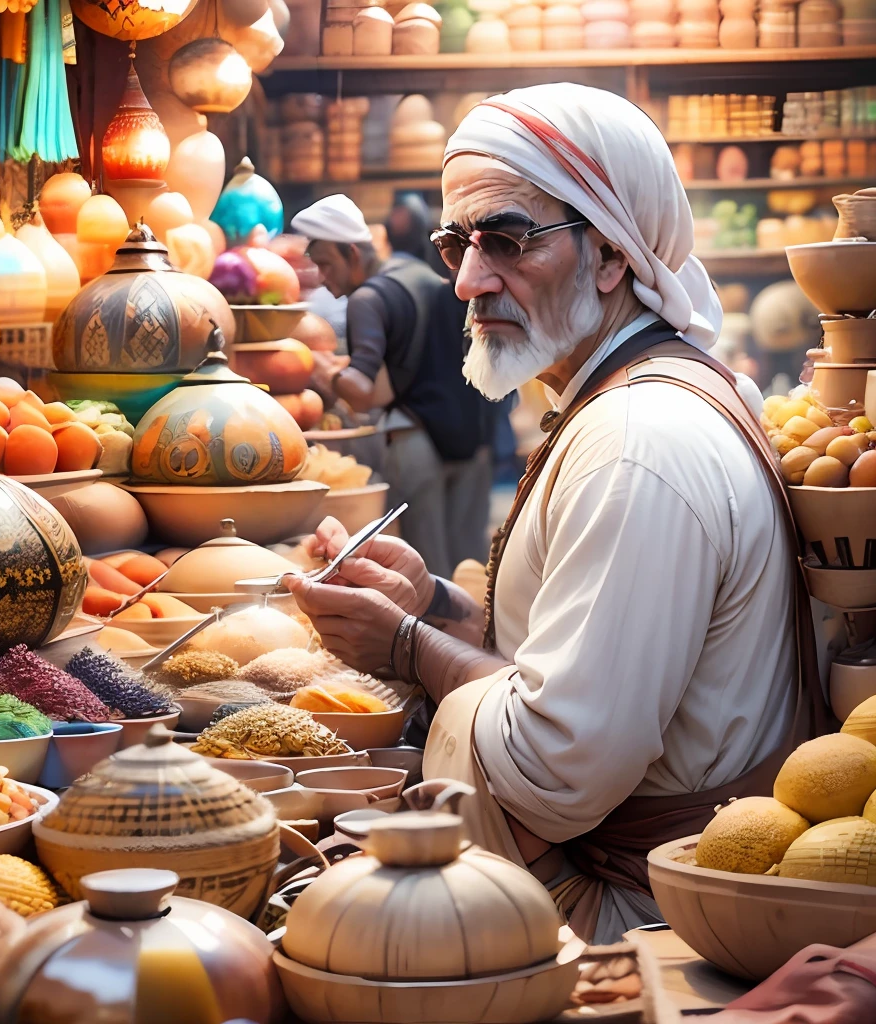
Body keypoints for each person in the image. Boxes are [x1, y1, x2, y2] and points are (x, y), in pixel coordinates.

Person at [283, 84, 828, 944]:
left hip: (634, 918)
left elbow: (551, 770)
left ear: (611, 256)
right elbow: (577, 644)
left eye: (507, 240)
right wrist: (435, 603)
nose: (468, 279)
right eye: (458, 242)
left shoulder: (635, 440)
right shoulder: (630, 396)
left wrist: (405, 648)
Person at [291, 194, 494, 576]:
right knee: (471, 566)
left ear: (352, 253)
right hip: (468, 435)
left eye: (326, 264)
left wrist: (321, 368)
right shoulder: (414, 271)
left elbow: (363, 390)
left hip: (415, 441)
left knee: (428, 571)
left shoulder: (366, 299)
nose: (321, 277)